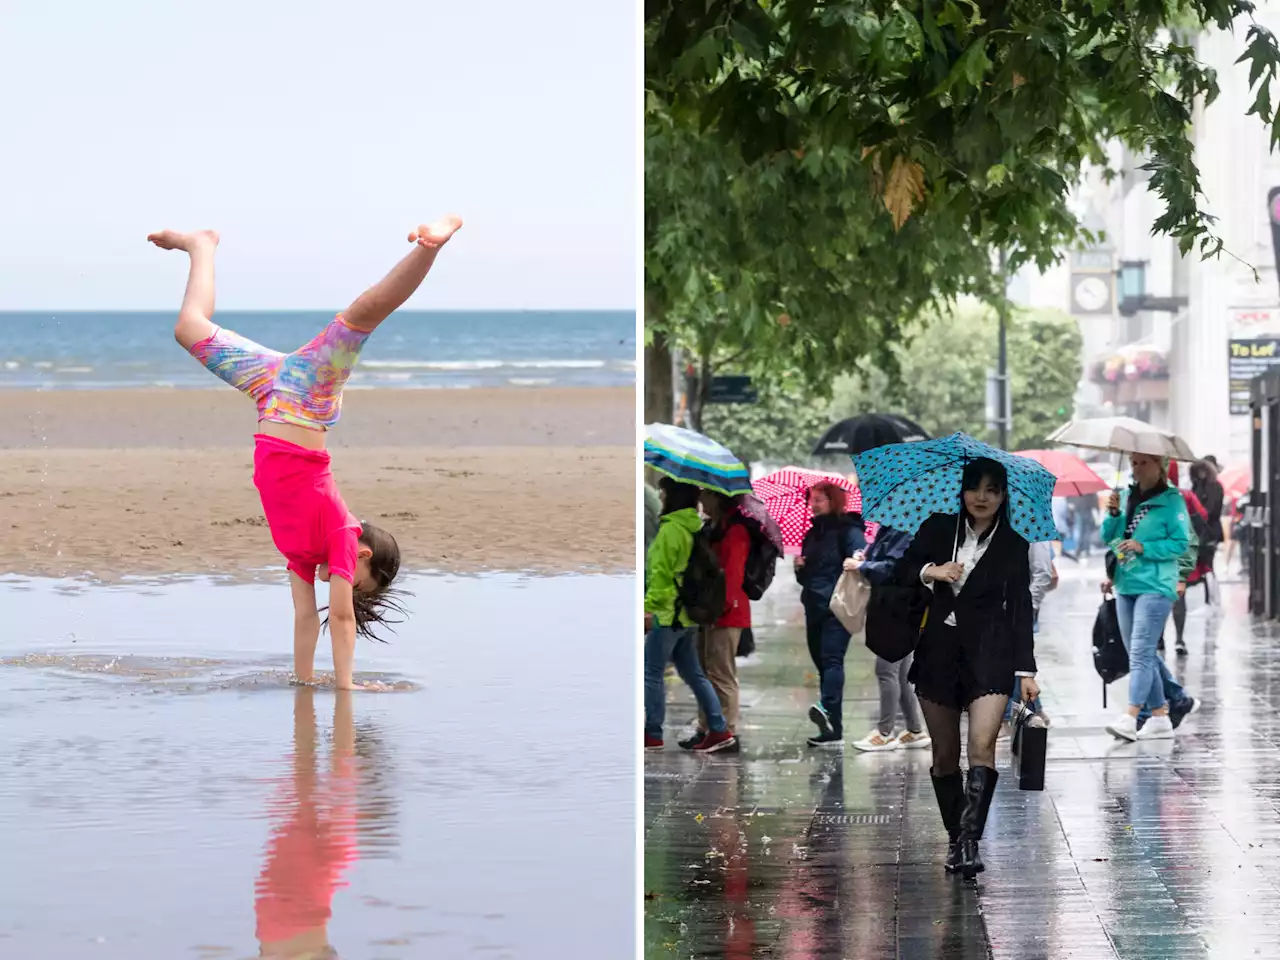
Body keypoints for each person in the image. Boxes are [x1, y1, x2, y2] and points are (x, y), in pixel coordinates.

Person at [148, 219, 462, 690]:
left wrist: (304, 684)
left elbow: (304, 619)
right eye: (355, 581)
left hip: (270, 393)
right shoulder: (341, 535)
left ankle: (201, 247)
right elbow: (339, 618)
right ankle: (432, 245)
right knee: (363, 315)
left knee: (188, 329)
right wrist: (346, 686)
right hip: (307, 396)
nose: (341, 584)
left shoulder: (299, 551)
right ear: (362, 554)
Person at [896, 458, 1037, 881]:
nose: (982, 497)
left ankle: (971, 843)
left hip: (990, 655)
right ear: (962, 491)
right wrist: (930, 571)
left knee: (981, 746)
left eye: (992, 489)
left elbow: (1021, 608)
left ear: (1004, 496)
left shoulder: (1015, 543)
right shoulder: (937, 529)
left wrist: (1025, 670)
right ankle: (956, 837)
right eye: (975, 488)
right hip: (937, 653)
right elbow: (899, 571)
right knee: (943, 756)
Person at [1101, 453, 1192, 742]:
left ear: (1159, 465)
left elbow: (1180, 542)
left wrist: (1144, 547)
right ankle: (1160, 716)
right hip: (1126, 582)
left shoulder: (1172, 501)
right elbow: (1111, 538)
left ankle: (1130, 716)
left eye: (1143, 462)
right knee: (1140, 653)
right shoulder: (1126, 495)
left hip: (1156, 584)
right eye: (1133, 463)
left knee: (1140, 651)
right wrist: (1113, 516)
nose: (1136, 468)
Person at [643, 477, 736, 753]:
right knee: (693, 672)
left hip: (668, 614)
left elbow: (660, 575)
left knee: (651, 672)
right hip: (689, 614)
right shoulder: (695, 527)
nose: (660, 497)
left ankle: (653, 733)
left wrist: (649, 608)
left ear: (673, 496)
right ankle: (718, 729)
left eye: (663, 492)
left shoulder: (671, 529)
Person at [795, 481, 868, 747]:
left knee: (832, 659)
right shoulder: (811, 535)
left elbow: (860, 561)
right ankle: (832, 729)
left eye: (819, 499)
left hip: (838, 606)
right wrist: (800, 568)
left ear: (833, 501)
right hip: (813, 605)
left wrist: (855, 561)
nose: (812, 504)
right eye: (811, 499)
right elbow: (806, 579)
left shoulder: (849, 531)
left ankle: (826, 707)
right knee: (823, 665)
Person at [847, 526, 931, 752]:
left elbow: (894, 569)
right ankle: (914, 730)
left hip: (899, 609)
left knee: (886, 670)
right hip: (891, 607)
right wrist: (864, 556)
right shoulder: (892, 527)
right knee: (900, 673)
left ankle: (884, 733)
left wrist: (862, 566)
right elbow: (881, 556)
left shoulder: (908, 530)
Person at [678, 491, 750, 751]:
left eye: (706, 494)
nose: (701, 499)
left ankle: (727, 730)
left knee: (721, 673)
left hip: (727, 611)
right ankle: (706, 726)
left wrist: (720, 607)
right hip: (710, 610)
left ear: (719, 498)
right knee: (705, 671)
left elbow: (732, 573)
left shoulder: (735, 530)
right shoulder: (713, 527)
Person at [1190, 459, 1225, 606]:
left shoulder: (1215, 486)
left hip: (1210, 531)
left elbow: (1212, 509)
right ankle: (1208, 597)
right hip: (1199, 530)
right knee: (1202, 564)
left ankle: (1211, 597)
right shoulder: (1197, 485)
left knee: (1208, 564)